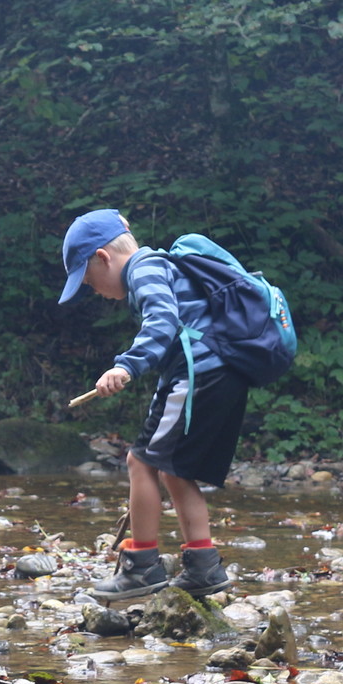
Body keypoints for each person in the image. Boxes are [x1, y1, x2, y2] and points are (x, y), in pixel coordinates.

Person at [58, 209, 242, 599]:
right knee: (174, 470)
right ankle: (204, 567)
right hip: (219, 374)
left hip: (198, 374)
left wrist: (125, 365)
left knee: (140, 462)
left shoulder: (144, 269)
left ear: (103, 257)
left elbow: (162, 321)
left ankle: (141, 567)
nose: (94, 290)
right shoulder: (161, 266)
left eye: (89, 280)